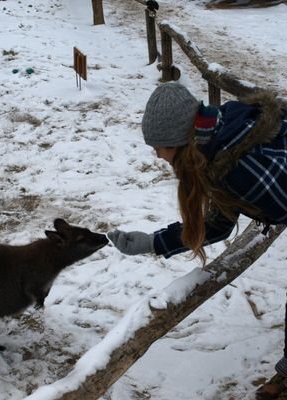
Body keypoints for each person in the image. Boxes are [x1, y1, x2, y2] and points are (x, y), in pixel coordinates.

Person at [107, 81, 287, 398]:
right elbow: (218, 224)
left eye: (160, 145)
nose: (156, 153)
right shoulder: (221, 139)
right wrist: (151, 242)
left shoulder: (240, 167)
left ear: (182, 141)